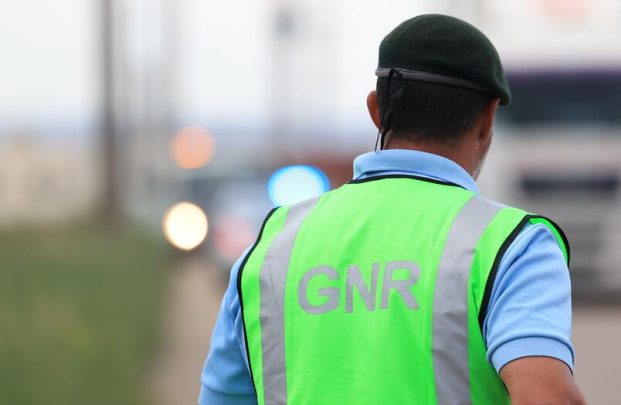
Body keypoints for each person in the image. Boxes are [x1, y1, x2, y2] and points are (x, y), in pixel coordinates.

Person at [200, 14, 585, 405]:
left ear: (376, 111)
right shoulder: (513, 246)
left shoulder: (273, 242)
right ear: (487, 119)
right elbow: (546, 397)